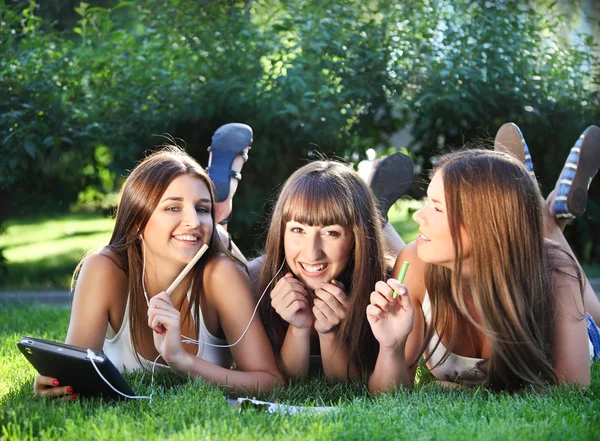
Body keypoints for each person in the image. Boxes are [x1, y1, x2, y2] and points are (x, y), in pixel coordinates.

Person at [33, 146, 284, 400]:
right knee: (197, 235)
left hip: (215, 257)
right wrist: (59, 382)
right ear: (137, 221)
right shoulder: (104, 269)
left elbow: (271, 382)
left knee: (243, 264)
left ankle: (221, 218)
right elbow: (75, 367)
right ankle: (221, 212)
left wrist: (182, 361)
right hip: (180, 243)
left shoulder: (222, 274)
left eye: (203, 209)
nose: (194, 221)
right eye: (173, 208)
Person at [367, 148, 599, 393]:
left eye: (437, 208)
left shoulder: (555, 272)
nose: (419, 216)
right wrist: (391, 347)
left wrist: (463, 390)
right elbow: (388, 393)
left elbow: (570, 391)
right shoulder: (414, 263)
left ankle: (547, 218)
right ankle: (535, 200)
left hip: (585, 333)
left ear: (484, 223)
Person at [248, 160, 393, 381]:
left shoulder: (382, 286)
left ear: (357, 238)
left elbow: (344, 387)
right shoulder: (256, 279)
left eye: (330, 233)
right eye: (298, 229)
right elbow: (288, 382)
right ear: (281, 231)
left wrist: (329, 334)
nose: (312, 253)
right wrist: (299, 327)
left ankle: (382, 218)